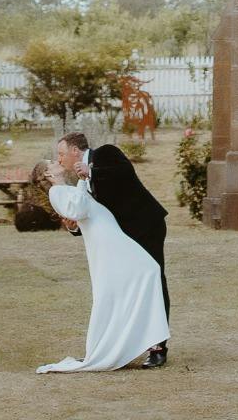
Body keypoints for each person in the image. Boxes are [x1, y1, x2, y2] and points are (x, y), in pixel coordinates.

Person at [34, 160, 170, 373]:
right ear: (48, 175)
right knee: (146, 271)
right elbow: (77, 210)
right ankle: (140, 340)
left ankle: (145, 338)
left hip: (112, 234)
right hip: (105, 240)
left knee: (148, 271)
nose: (57, 161)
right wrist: (81, 182)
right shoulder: (56, 192)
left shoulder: (66, 188)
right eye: (52, 163)